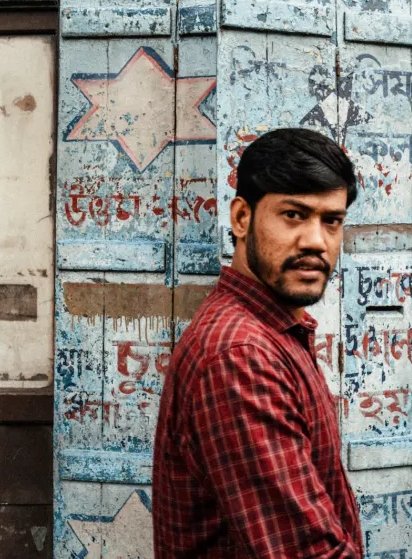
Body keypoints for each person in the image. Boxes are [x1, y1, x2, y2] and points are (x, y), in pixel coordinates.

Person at [153, 128, 363, 558]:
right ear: (241, 219)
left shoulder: (273, 332)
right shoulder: (240, 356)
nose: (316, 241)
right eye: (293, 215)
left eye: (331, 221)